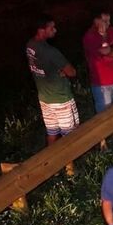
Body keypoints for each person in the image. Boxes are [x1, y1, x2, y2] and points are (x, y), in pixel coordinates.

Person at [26, 15, 79, 147]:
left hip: (45, 99)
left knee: (52, 132)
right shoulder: (51, 51)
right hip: (61, 99)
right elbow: (72, 72)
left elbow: (42, 66)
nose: (55, 30)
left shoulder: (30, 46)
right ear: (41, 30)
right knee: (71, 135)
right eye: (52, 28)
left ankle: (50, 161)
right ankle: (69, 166)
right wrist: (63, 71)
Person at [82, 9, 113, 113]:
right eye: (105, 21)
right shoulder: (89, 37)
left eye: (109, 20)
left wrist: (111, 50)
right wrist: (106, 39)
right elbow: (105, 50)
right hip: (102, 85)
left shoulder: (111, 30)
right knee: (105, 118)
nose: (109, 23)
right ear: (96, 21)